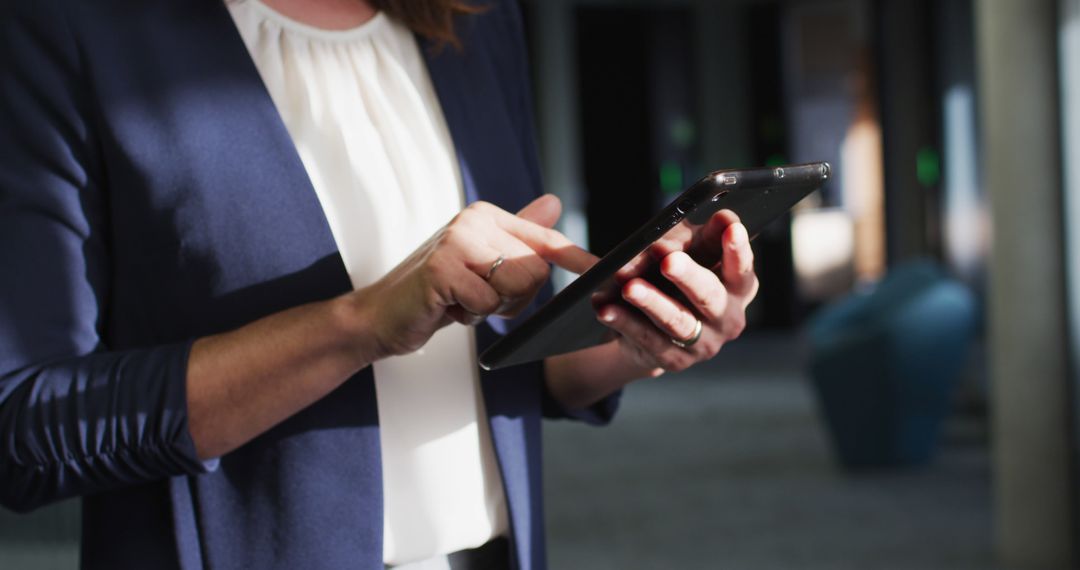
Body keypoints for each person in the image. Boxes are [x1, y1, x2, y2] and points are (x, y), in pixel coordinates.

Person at [0, 0, 759, 568]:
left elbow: (508, 361)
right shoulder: (67, 30)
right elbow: (27, 431)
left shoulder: (471, 20)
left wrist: (644, 332)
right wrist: (359, 325)